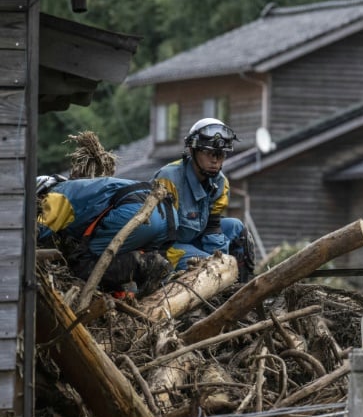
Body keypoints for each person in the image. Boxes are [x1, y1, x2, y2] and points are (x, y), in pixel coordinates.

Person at [36, 174, 177, 297]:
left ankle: (148, 264)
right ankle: (153, 277)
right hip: (167, 213)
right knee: (117, 260)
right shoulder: (79, 188)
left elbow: (36, 232)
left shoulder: (54, 195)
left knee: (85, 265)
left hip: (136, 210)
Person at [153, 118, 256, 282]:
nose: (215, 160)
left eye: (220, 154)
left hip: (197, 237)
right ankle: (222, 284)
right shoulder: (169, 180)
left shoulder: (221, 183)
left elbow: (212, 230)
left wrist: (220, 259)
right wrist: (214, 265)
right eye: (209, 153)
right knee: (211, 270)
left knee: (237, 228)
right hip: (168, 248)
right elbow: (157, 239)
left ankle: (241, 286)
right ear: (193, 151)